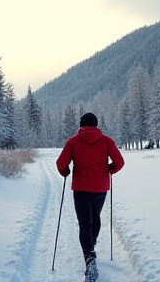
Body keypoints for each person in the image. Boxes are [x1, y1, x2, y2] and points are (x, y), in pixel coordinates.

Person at [56, 112, 124, 281]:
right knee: (95, 217)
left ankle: (89, 257)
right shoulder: (107, 141)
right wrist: (110, 169)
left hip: (81, 188)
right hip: (101, 187)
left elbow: (60, 163)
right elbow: (120, 162)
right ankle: (91, 244)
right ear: (96, 125)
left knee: (85, 223)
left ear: (81, 125)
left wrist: (65, 171)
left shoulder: (73, 141)